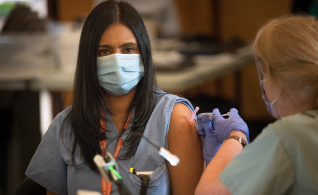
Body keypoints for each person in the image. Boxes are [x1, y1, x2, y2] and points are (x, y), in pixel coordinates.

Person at [25, 1, 204, 195]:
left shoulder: (175, 119)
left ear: (143, 54)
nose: (117, 60)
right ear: (88, 59)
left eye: (128, 49)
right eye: (104, 51)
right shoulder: (65, 126)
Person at [195, 15, 318, 195]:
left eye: (264, 75)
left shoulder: (291, 135)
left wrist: (235, 137)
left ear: (280, 82)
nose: (263, 83)